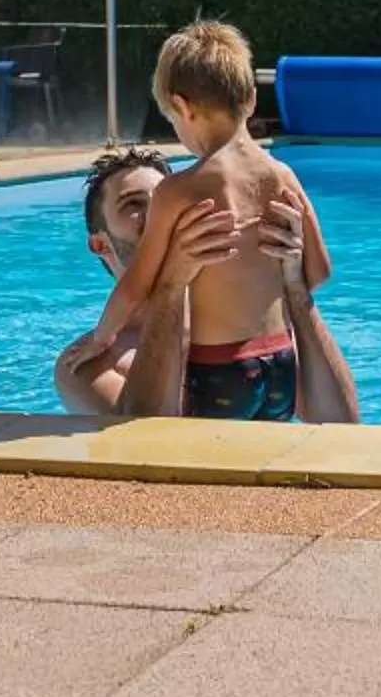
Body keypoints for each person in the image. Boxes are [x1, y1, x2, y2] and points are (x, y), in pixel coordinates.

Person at [68, 21, 331, 421]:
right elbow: (319, 272)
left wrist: (103, 338)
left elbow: (138, 286)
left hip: (223, 373)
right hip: (280, 364)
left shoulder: (179, 190)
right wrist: (289, 279)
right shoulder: (282, 176)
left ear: (183, 107)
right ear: (250, 101)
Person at [55, 145, 358, 422]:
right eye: (133, 203)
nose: (158, 213)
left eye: (164, 199)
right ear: (100, 244)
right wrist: (172, 283)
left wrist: (295, 288)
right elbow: (146, 449)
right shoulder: (88, 364)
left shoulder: (248, 319)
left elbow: (341, 426)